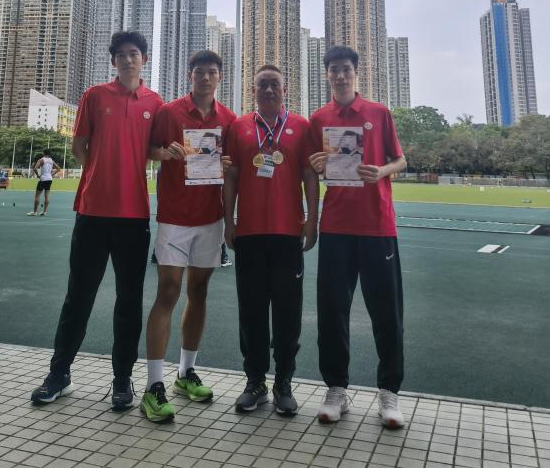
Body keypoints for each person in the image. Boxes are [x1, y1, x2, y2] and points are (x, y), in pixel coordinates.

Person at [30, 30, 163, 411]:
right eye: (121, 54)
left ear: (144, 59)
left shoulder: (155, 103)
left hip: (133, 216)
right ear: (113, 61)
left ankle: (122, 380)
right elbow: (78, 146)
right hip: (92, 212)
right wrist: (101, 173)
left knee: (129, 301)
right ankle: (59, 374)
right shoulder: (94, 95)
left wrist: (169, 153)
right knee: (79, 296)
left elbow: (154, 149)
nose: (128, 59)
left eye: (134, 53)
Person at [308, 45, 407, 428]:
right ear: (326, 74)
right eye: (333, 69)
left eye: (346, 69)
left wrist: (381, 172)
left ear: (356, 72)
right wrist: (319, 166)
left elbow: (400, 159)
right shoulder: (319, 118)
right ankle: (336, 389)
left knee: (387, 312)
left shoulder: (379, 113)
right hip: (336, 227)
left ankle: (389, 393)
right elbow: (316, 170)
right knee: (332, 311)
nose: (340, 75)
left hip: (377, 226)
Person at [143, 50, 236, 423]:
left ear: (220, 77)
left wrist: (227, 167)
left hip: (210, 219)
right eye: (200, 72)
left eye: (212, 72)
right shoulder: (169, 112)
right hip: (174, 218)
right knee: (168, 291)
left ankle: (185, 372)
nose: (206, 78)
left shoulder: (228, 119)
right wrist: (164, 153)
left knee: (199, 292)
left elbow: (232, 170)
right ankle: (153, 385)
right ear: (190, 75)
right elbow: (149, 150)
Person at [224, 65, 319, 416]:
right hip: (249, 233)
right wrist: (228, 221)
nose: (268, 90)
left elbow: (309, 175)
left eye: (274, 84)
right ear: (253, 90)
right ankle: (255, 382)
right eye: (262, 84)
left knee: (287, 312)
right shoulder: (238, 127)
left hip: (288, 233)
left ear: (285, 89)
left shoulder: (302, 127)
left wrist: (312, 220)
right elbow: (231, 175)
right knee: (251, 311)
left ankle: (283, 382)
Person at [27, 150, 62, 216]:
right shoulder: (51, 160)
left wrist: (38, 175)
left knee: (37, 196)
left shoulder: (41, 160)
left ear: (43, 153)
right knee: (46, 196)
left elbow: (35, 168)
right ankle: (44, 211)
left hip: (43, 179)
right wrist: (51, 175)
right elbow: (58, 169)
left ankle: (35, 212)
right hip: (49, 179)